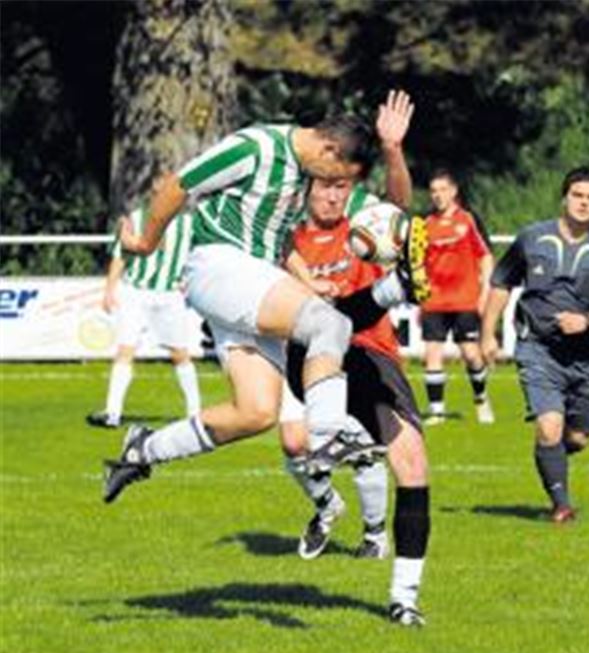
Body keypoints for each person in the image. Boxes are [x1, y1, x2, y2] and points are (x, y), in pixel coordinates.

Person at [102, 91, 429, 536]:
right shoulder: (255, 148)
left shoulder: (303, 174)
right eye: (337, 175)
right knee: (331, 324)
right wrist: (147, 242)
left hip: (252, 283)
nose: (334, 188)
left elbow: (283, 237)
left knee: (255, 412)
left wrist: (305, 278)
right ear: (329, 150)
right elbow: (179, 184)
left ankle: (143, 450)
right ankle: (330, 433)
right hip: (219, 266)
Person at [279, 175, 432, 627]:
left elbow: (400, 214)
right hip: (305, 354)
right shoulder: (284, 239)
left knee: (413, 462)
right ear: (305, 193)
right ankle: (328, 505)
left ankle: (403, 597)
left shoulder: (364, 226)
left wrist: (392, 150)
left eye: (340, 188)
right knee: (295, 443)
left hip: (370, 353)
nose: (332, 196)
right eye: (323, 188)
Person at [481, 165, 589, 523]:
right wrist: (488, 333)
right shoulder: (532, 238)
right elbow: (501, 282)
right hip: (537, 349)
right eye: (578, 195)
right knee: (549, 426)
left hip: (587, 358)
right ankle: (561, 505)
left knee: (577, 438)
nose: (583, 203)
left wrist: (588, 321)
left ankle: (549, 455)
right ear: (565, 197)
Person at [87, 208, 201, 428]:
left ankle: (194, 413)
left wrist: (191, 280)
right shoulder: (137, 217)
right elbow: (120, 255)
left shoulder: (190, 224)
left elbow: (196, 253)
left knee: (180, 353)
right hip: (136, 292)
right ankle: (112, 412)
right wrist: (109, 288)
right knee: (125, 349)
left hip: (169, 294)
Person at [420, 169, 495, 425]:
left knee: (472, 355)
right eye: (434, 191)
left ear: (453, 192)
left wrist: (485, 291)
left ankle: (481, 398)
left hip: (465, 299)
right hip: (434, 300)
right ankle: (437, 411)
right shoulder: (425, 224)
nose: (438, 196)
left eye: (443, 190)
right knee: (432, 353)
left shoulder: (468, 220)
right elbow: (417, 261)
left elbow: (485, 255)